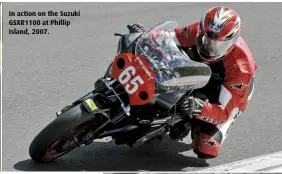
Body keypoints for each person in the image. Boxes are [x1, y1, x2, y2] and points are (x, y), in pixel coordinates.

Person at [134, 6, 258, 159]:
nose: (209, 47)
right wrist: (145, 34)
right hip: (196, 74)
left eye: (218, 44)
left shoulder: (242, 67)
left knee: (206, 148)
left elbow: (222, 113)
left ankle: (189, 122)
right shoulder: (198, 31)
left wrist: (200, 108)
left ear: (231, 41)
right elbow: (167, 36)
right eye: (206, 39)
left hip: (224, 93)